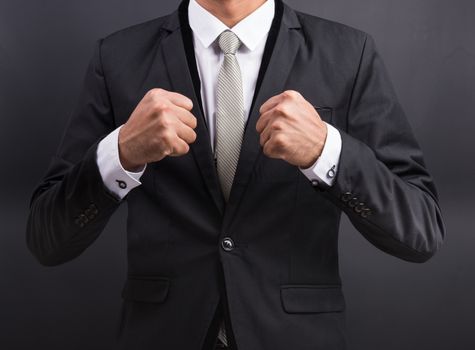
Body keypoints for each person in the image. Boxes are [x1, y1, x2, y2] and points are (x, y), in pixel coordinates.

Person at [26, 0, 446, 349]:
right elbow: (48, 238)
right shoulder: (116, 57)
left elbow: (420, 231)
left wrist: (326, 152)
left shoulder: (348, 54)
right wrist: (120, 154)